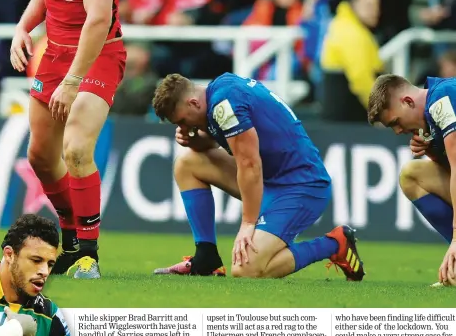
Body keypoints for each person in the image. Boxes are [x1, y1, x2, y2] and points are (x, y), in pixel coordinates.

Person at [10, 0, 127, 279]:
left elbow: (98, 19)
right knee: (41, 156)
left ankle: (88, 256)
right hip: (55, 53)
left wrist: (74, 80)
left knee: (76, 147)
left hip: (97, 53)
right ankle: (71, 235)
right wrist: (24, 27)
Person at [151, 73, 364, 280]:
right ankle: (207, 258)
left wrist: (248, 223)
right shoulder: (220, 92)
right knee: (186, 163)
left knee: (246, 269)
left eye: (182, 121)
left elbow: (250, 164)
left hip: (301, 185)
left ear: (194, 103)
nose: (183, 128)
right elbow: (222, 141)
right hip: (271, 180)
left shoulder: (225, 105)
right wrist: (197, 141)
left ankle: (335, 244)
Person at [367, 74, 456, 287]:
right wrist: (433, 150)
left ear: (407, 102)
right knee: (412, 175)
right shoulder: (437, 106)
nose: (398, 131)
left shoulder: (442, 99)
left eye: (395, 122)